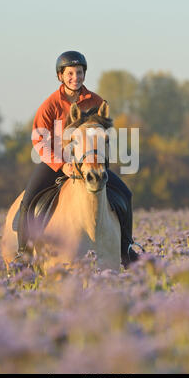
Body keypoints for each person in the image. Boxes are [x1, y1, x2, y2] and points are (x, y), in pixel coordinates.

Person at [17, 50, 139, 267]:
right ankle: (23, 253)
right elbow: (39, 139)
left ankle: (126, 249)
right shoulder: (51, 104)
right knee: (28, 200)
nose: (76, 77)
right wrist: (61, 165)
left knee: (125, 195)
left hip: (90, 162)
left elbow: (104, 134)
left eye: (80, 72)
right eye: (70, 73)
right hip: (56, 163)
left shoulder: (96, 100)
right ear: (60, 76)